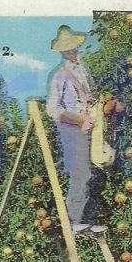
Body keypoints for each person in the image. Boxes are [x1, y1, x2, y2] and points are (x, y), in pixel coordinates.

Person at [45, 25, 107, 234]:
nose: (73, 51)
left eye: (75, 48)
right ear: (62, 52)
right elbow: (52, 109)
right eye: (69, 49)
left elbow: (92, 95)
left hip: (91, 126)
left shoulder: (83, 69)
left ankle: (88, 219)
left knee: (96, 171)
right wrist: (78, 119)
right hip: (72, 129)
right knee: (80, 172)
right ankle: (73, 220)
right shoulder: (59, 76)